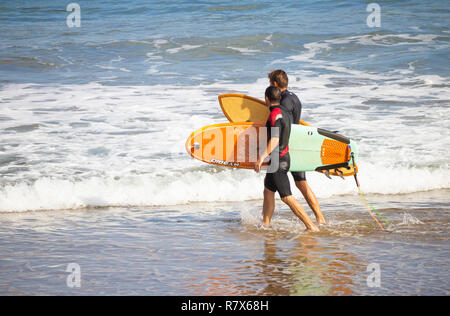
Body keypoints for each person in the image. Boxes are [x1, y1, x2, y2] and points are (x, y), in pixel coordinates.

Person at [254, 86, 319, 232]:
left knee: (286, 197)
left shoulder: (274, 114)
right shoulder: (285, 113)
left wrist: (261, 158)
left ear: (266, 98)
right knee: (268, 191)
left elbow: (275, 139)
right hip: (283, 156)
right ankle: (265, 223)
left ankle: (311, 226)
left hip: (278, 160)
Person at [268, 70, 326, 225]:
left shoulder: (284, 101)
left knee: (291, 191)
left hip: (287, 148)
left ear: (274, 84)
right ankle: (320, 218)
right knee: (301, 183)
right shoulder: (294, 97)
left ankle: (313, 223)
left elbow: (281, 124)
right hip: (295, 145)